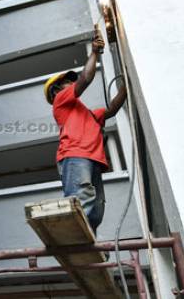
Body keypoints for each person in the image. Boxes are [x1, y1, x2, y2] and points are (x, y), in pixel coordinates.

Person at [43, 28, 126, 234]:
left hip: (92, 161)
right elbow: (86, 79)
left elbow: (112, 109)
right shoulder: (60, 102)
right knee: (82, 199)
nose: (72, 83)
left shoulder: (88, 114)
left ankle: (89, 244)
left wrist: (128, 81)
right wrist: (95, 53)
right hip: (75, 155)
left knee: (96, 209)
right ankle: (75, 238)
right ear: (56, 90)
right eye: (67, 81)